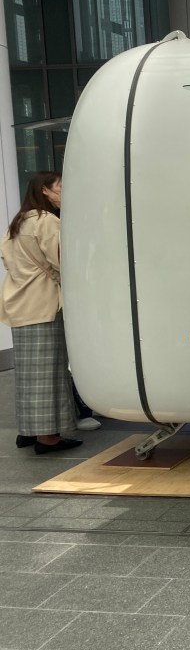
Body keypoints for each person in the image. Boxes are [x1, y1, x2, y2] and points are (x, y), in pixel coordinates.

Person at [0, 172, 82, 454]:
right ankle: (48, 438)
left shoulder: (19, 222)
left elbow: (8, 261)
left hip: (20, 304)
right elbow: (62, 261)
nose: (64, 193)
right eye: (60, 187)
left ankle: (29, 431)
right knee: (50, 374)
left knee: (28, 375)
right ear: (45, 191)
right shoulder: (47, 221)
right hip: (44, 304)